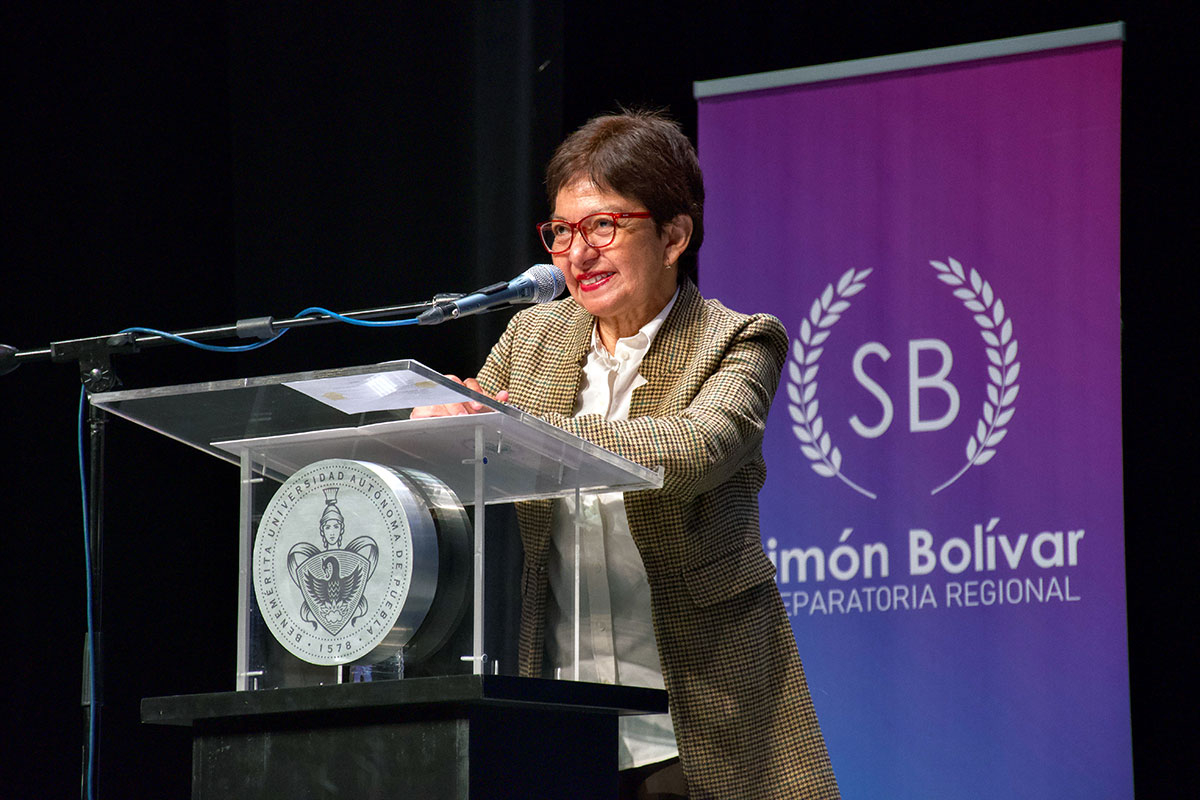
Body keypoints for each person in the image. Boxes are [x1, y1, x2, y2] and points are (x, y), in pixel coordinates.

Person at [413, 110, 839, 799]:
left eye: (604, 226)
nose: (578, 253)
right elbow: (464, 441)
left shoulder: (738, 341)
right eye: (562, 231)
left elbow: (693, 449)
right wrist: (436, 420)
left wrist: (516, 426)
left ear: (674, 235)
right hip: (560, 719)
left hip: (698, 715)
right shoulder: (532, 337)